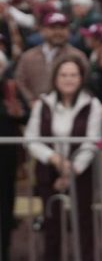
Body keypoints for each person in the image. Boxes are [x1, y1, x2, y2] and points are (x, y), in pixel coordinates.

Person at [23, 56, 102, 261]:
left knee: (84, 222)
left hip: (81, 173)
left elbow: (92, 141)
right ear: (55, 78)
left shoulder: (92, 104)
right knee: (52, 224)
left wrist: (72, 170)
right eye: (64, 74)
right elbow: (31, 138)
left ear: (81, 77)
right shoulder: (43, 103)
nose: (69, 79)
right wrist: (54, 159)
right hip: (49, 171)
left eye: (73, 75)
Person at [14, 13, 88, 105]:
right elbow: (20, 80)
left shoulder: (78, 56)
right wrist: (31, 100)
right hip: (33, 109)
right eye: (53, 28)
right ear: (42, 30)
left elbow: (85, 82)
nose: (58, 32)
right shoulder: (28, 56)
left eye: (62, 28)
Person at [0, 56, 27, 261]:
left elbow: (26, 114)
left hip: (6, 159)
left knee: (5, 206)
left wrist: (19, 113)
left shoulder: (11, 88)